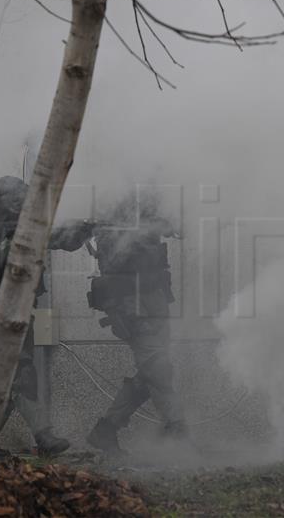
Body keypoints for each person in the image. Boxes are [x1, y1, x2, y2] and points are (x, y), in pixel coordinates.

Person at [0, 175, 93, 456]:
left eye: (24, 199)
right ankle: (38, 437)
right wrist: (17, 246)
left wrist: (81, 232)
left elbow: (61, 240)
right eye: (15, 199)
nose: (21, 204)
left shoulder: (31, 231)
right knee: (17, 372)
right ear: (0, 201)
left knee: (11, 378)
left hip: (20, 312)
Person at [85, 191, 187, 456]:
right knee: (158, 368)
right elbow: (115, 265)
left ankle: (106, 430)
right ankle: (177, 432)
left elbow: (176, 228)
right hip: (132, 309)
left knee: (150, 373)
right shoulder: (111, 228)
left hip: (155, 306)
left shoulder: (146, 223)